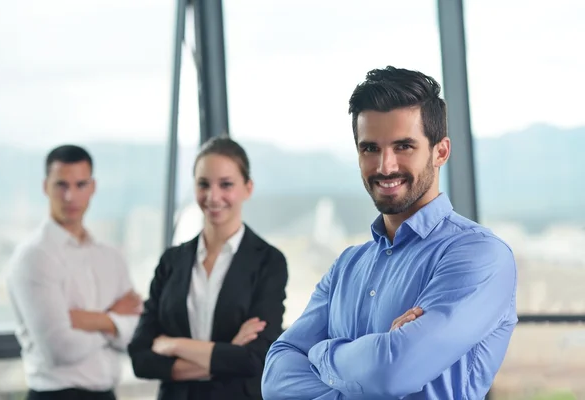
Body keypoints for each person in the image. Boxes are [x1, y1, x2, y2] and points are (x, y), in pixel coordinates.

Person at [261, 67, 518, 400]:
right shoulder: (347, 266)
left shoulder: (480, 255)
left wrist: (321, 352)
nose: (385, 166)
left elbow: (390, 374)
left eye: (403, 146)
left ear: (440, 151)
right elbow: (275, 379)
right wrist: (371, 360)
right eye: (370, 148)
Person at [128, 137, 289, 400]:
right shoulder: (171, 262)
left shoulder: (268, 262)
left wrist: (175, 345)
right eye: (203, 184)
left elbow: (255, 358)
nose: (213, 197)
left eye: (226, 184)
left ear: (248, 188)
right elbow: (141, 358)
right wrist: (227, 352)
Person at [6, 145, 142, 400]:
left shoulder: (111, 257)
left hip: (107, 394)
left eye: (80, 185)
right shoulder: (34, 257)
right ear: (45, 187)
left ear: (93, 187)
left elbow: (136, 334)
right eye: (61, 185)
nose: (70, 196)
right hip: (55, 395)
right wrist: (114, 318)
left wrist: (91, 320)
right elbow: (60, 349)